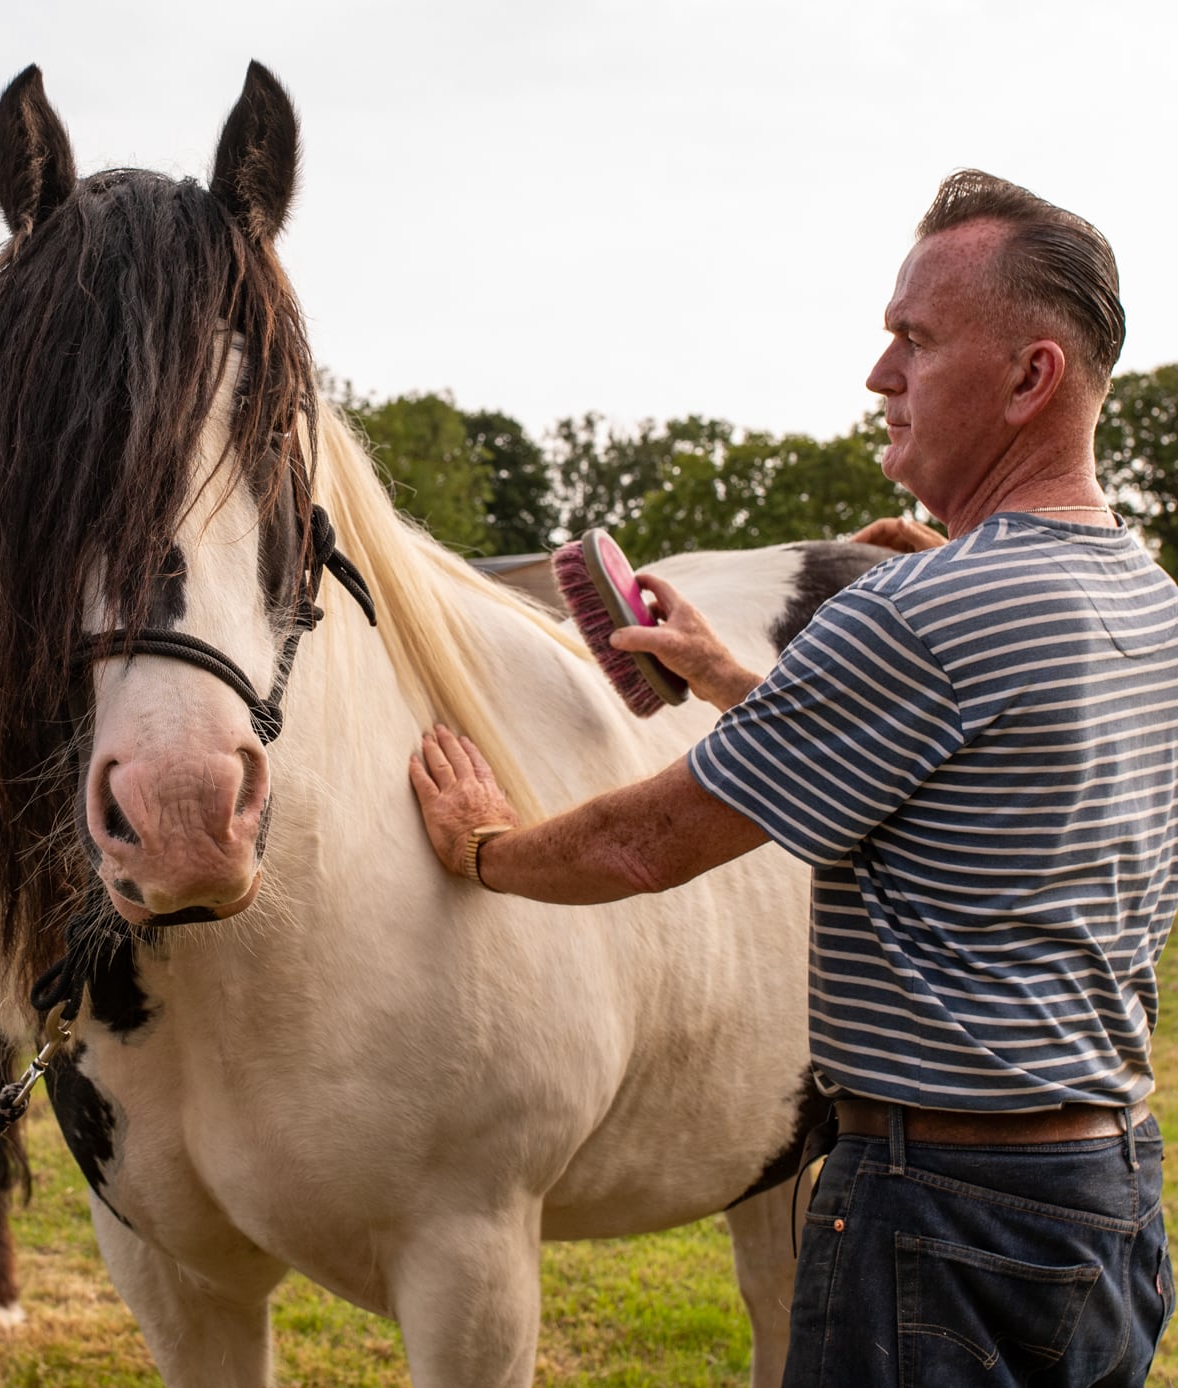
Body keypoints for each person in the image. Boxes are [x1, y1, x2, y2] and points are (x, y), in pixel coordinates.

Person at [410, 169, 1178, 1387]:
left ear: (1032, 378)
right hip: (1105, 1196)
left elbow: (643, 846)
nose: (880, 376)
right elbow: (964, 797)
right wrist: (728, 674)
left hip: (939, 1220)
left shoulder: (928, 610)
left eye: (914, 342)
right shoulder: (1149, 602)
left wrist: (484, 845)